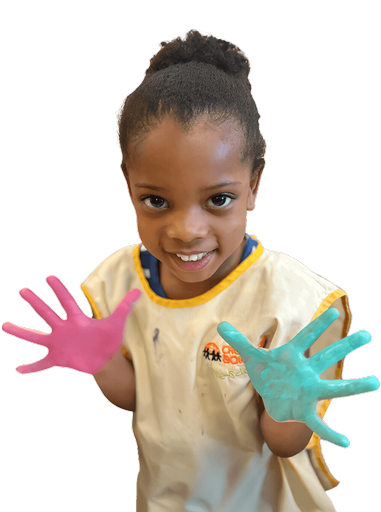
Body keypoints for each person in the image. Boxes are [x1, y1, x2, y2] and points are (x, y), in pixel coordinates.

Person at [2, 29, 379, 511]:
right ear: (129, 187)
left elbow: (283, 444)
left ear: (254, 186)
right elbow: (140, 401)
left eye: (218, 200)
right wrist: (101, 361)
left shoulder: (294, 301)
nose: (186, 231)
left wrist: (288, 408)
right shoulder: (121, 280)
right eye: (155, 201)